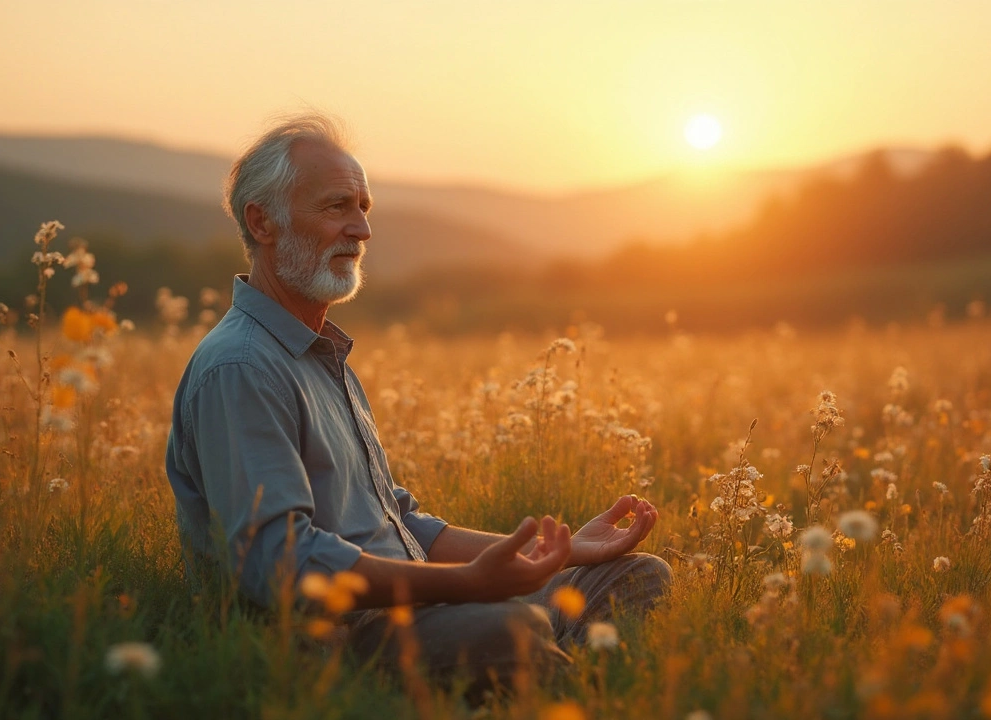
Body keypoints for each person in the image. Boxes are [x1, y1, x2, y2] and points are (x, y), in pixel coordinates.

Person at [164, 113, 671, 690]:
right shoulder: (242, 369)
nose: (361, 230)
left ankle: (561, 682)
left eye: (364, 207)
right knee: (512, 626)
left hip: (425, 610)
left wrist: (561, 553)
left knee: (634, 576)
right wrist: (466, 586)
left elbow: (399, 522)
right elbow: (278, 564)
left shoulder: (321, 356)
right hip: (338, 640)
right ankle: (562, 683)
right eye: (336, 207)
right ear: (263, 223)